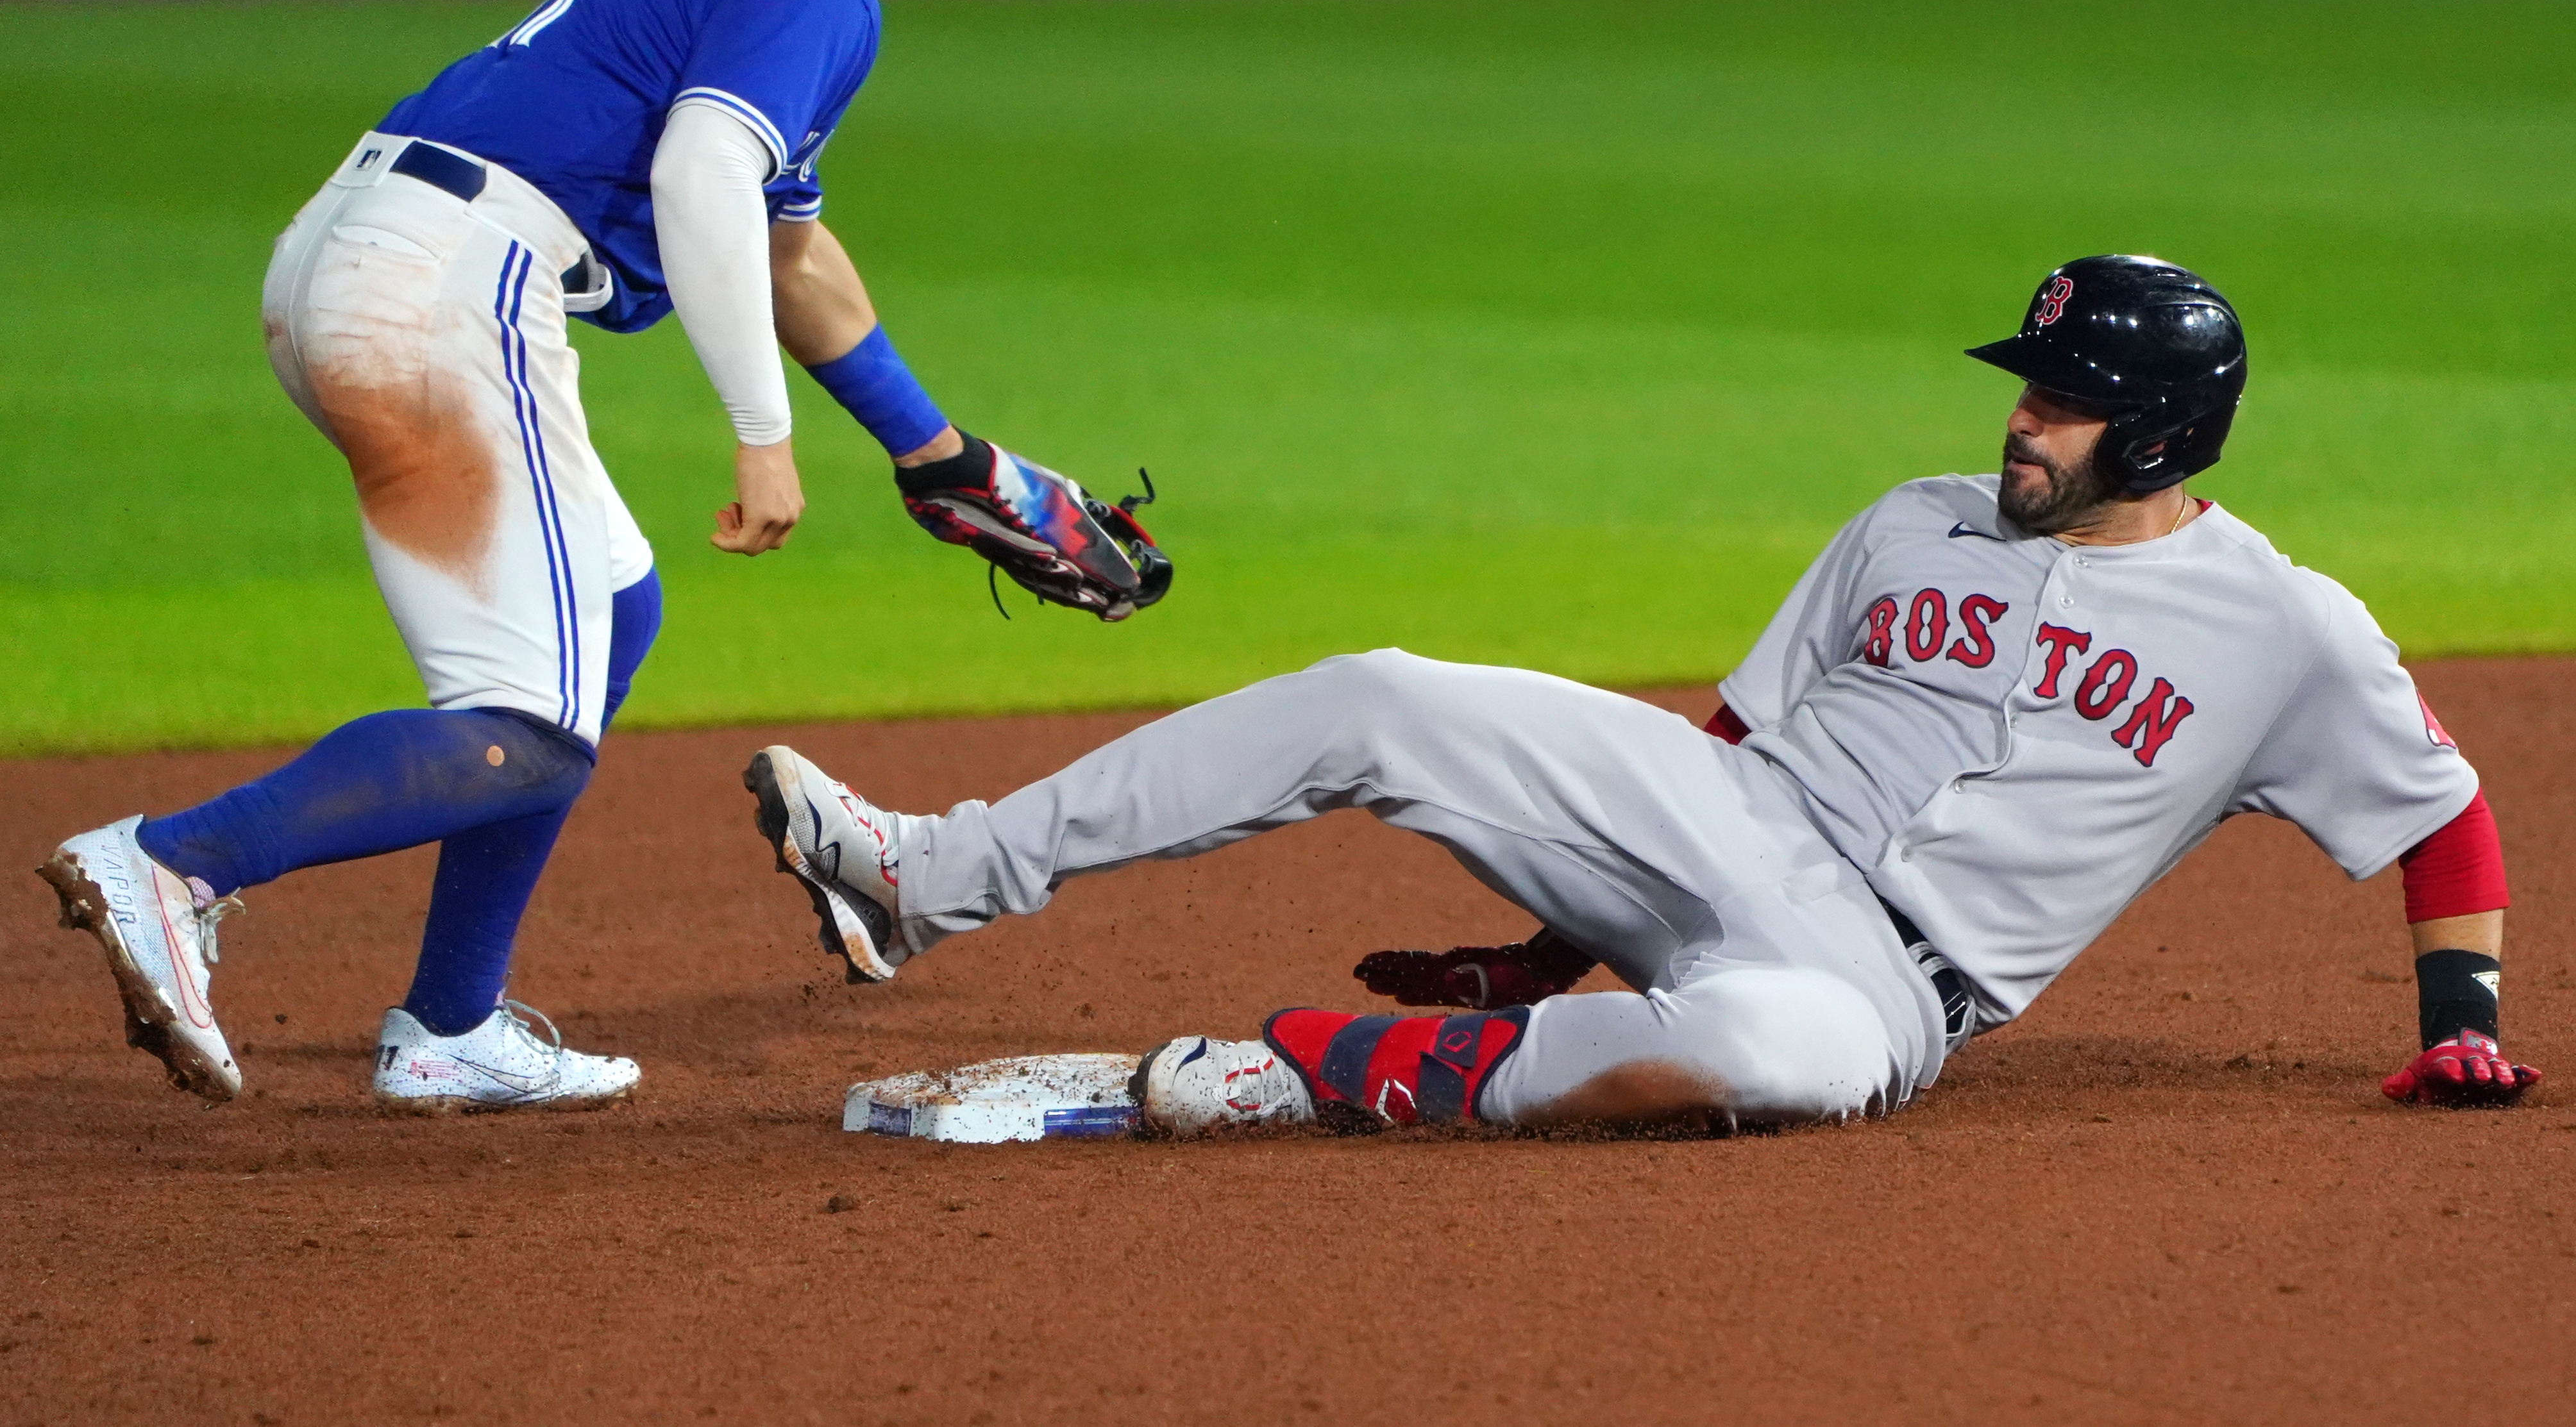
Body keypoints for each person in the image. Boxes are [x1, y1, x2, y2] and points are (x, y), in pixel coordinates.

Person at [742, 255, 2537, 1134]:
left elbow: (2441, 809)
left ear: (2153, 429)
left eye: (2058, 399)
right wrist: (1550, 938)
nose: (2018, 416)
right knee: (1382, 689)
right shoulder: (1908, 520)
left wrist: (2460, 1005)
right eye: (2025, 383)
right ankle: (922, 868)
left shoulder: (2283, 626)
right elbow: (1721, 753)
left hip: (1886, 985)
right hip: (1730, 818)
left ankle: (1297, 1072)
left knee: (1795, 1063)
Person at [38, 0, 1147, 1112]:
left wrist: (935, 452)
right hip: (446, 283)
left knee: (613, 608)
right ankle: (175, 861)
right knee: (528, 726)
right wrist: (762, 433)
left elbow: (783, 247)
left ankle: (450, 1024)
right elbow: (700, 182)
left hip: (365, 252)